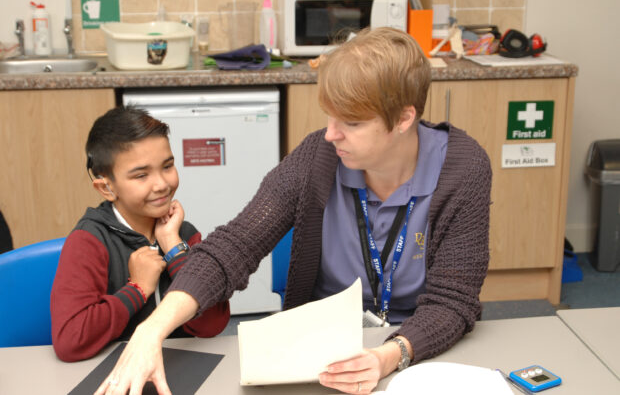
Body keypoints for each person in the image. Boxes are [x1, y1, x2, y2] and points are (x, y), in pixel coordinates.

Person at [96, 27, 491, 395]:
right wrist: (152, 330)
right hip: (322, 353)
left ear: (404, 118)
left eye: (350, 122)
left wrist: (391, 355)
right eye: (330, 116)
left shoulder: (463, 168)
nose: (331, 133)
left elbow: (452, 302)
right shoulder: (317, 157)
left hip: (420, 351)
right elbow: (234, 246)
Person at [50, 107, 230, 362]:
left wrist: (175, 249)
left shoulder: (185, 235)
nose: (162, 184)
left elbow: (213, 325)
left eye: (167, 166)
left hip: (180, 369)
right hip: (113, 373)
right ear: (106, 188)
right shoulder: (87, 242)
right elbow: (70, 341)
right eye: (141, 175)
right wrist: (137, 289)